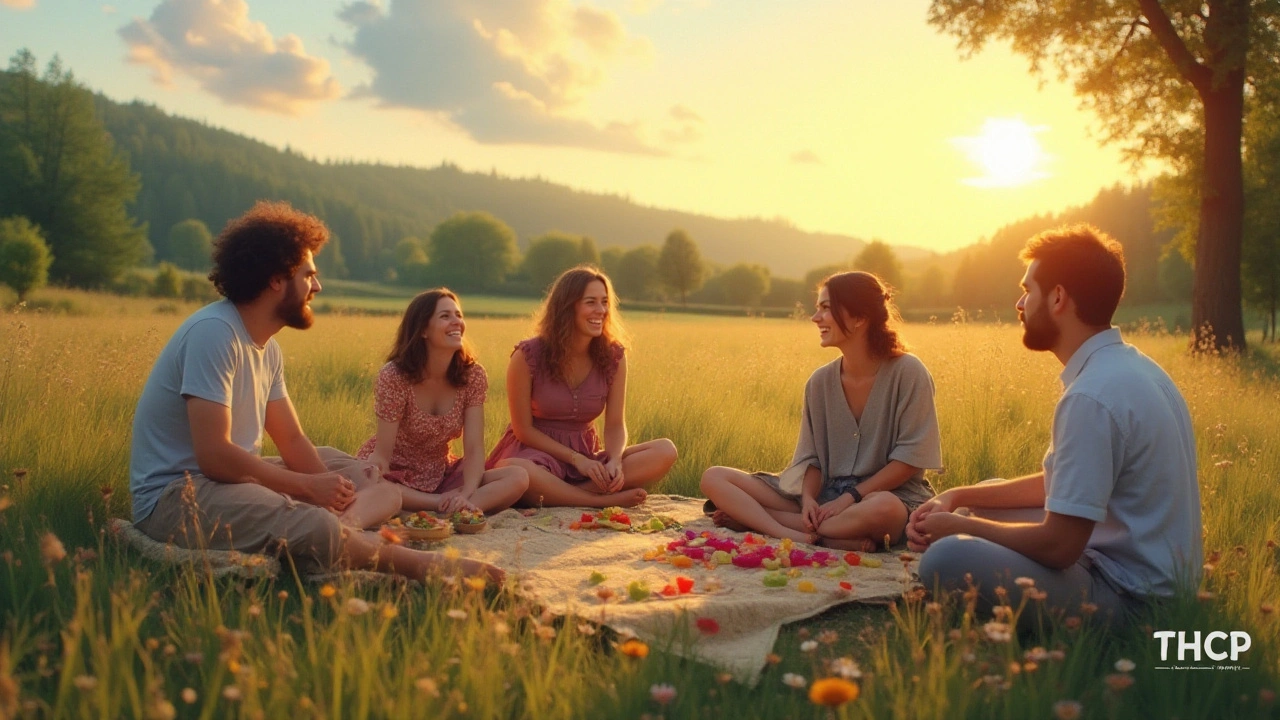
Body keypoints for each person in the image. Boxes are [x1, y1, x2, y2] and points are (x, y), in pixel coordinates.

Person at [128, 201, 501, 583]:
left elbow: (291, 439)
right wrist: (308, 488)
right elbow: (215, 457)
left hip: (230, 482)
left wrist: (332, 489)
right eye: (308, 275)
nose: (317, 287)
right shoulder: (215, 333)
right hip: (178, 496)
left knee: (373, 482)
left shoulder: (266, 348)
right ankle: (417, 564)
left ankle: (338, 529)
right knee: (312, 518)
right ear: (276, 279)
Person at [911, 224, 1202, 623]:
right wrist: (959, 497)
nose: (1020, 302)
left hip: (1134, 599)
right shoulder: (1132, 368)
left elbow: (1060, 546)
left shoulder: (1091, 396)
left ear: (1058, 297)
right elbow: (1070, 486)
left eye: (1028, 290)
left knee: (946, 556)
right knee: (982, 495)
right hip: (1134, 566)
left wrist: (963, 529)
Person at [700, 271, 941, 548]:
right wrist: (809, 501)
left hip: (888, 497)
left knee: (883, 510)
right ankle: (803, 534)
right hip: (826, 495)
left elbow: (910, 458)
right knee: (714, 477)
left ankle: (759, 521)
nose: (815, 318)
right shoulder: (819, 382)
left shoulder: (909, 372)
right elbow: (812, 459)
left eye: (826, 308)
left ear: (860, 318)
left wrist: (849, 497)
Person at [487, 266, 677, 508]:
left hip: (587, 457)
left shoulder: (613, 356)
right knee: (517, 471)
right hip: (535, 453)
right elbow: (523, 429)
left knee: (664, 451)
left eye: (605, 302)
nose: (601, 310)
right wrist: (576, 460)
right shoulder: (527, 355)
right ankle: (594, 500)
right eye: (591, 302)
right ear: (568, 307)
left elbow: (616, 424)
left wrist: (615, 461)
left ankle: (564, 494)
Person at [357, 289, 528, 514]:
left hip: (442, 472)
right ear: (423, 330)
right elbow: (382, 456)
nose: (456, 322)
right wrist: (440, 499)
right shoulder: (394, 376)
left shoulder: (472, 375)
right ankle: (440, 507)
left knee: (517, 477)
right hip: (396, 475)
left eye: (458, 315)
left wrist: (466, 492)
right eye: (445, 316)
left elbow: (475, 448)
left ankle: (460, 507)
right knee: (373, 483)